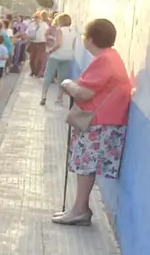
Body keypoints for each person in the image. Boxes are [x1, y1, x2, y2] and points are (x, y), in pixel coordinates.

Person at [56, 18, 132, 226]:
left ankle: (79, 209)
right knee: (86, 166)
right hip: (105, 121)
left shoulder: (104, 60)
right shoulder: (111, 57)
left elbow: (84, 92)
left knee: (84, 166)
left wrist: (66, 83)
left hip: (98, 123)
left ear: (90, 39)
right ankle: (80, 208)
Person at [42, 13, 75, 106]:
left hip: (57, 55)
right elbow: (73, 45)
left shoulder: (59, 30)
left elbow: (59, 44)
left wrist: (50, 50)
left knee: (48, 75)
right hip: (68, 56)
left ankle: (44, 96)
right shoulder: (73, 32)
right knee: (62, 78)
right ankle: (59, 98)